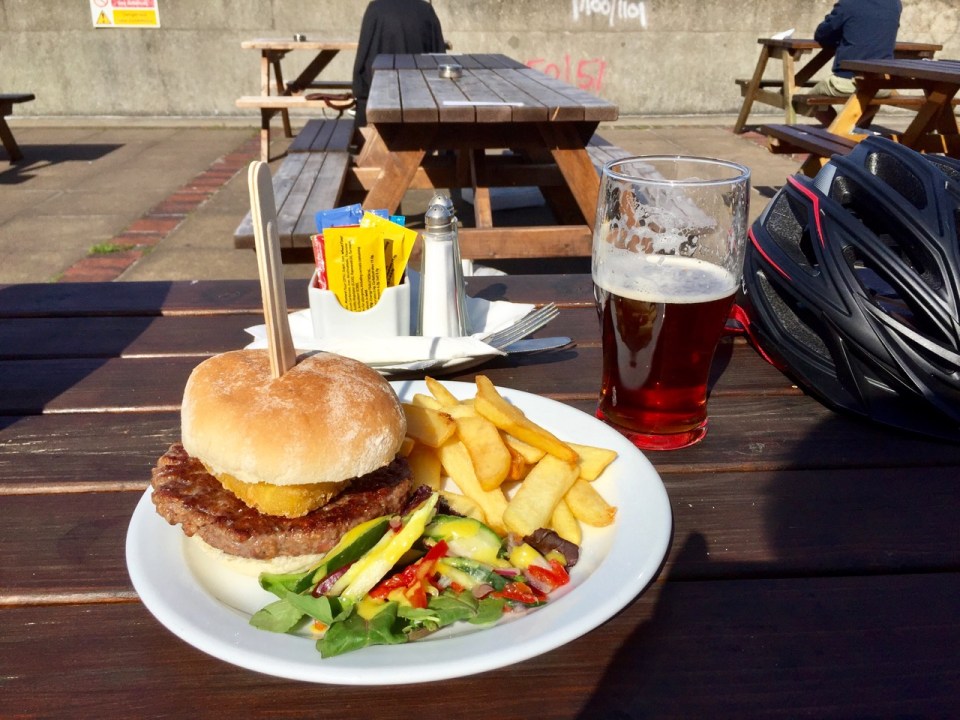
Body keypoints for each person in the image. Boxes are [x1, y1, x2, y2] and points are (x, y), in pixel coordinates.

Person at [796, 0, 902, 125]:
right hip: (882, 85)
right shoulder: (895, 4)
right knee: (872, 104)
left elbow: (822, 34)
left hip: (848, 82)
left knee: (802, 103)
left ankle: (838, 132)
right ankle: (849, 129)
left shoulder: (849, 3)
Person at [351, 0, 447, 127]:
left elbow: (363, 57)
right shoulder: (426, 10)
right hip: (421, 102)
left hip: (379, 98)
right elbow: (439, 57)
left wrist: (360, 94)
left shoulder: (375, 9)